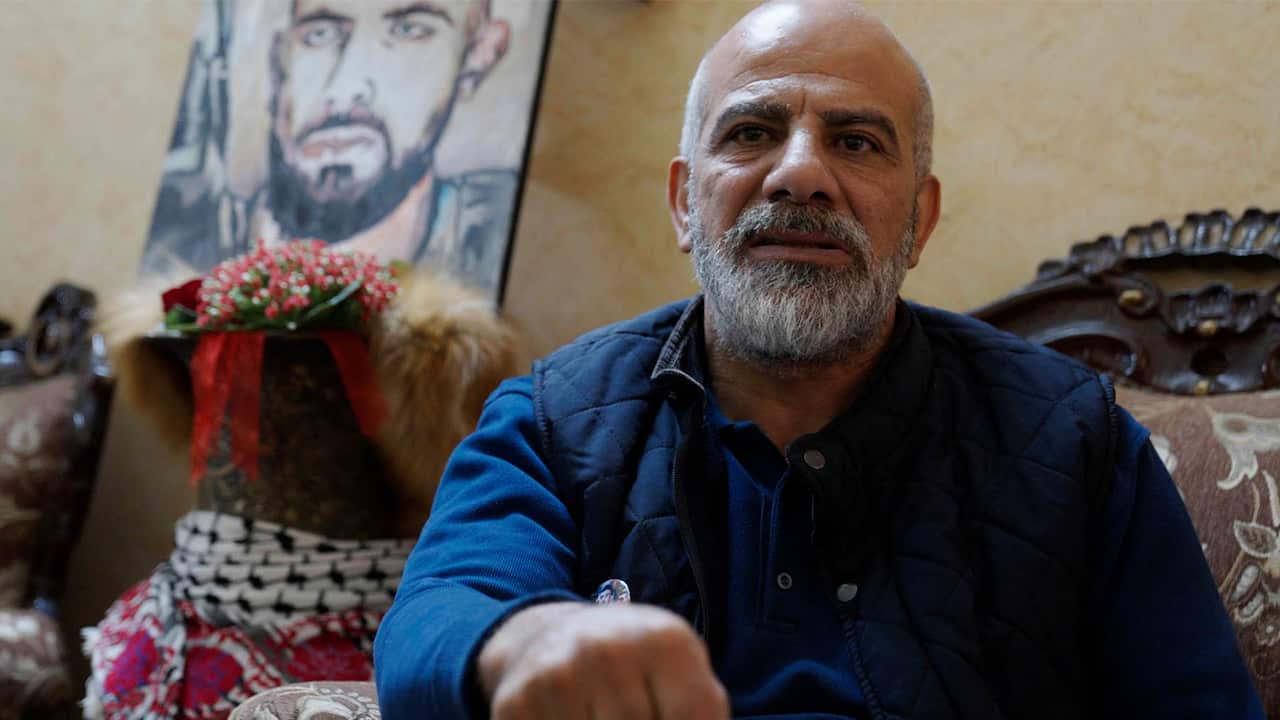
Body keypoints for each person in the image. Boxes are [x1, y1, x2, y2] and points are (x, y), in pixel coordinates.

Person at [374, 1, 1263, 718]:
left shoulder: (1077, 438)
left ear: (919, 219)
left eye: (856, 141)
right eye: (752, 132)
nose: (799, 174)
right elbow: (437, 618)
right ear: (686, 203)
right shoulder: (549, 420)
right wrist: (521, 640)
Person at [144, 0, 519, 290]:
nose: (345, 89)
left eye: (410, 30)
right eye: (319, 35)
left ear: (476, 58)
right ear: (279, 60)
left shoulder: (485, 248)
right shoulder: (182, 235)